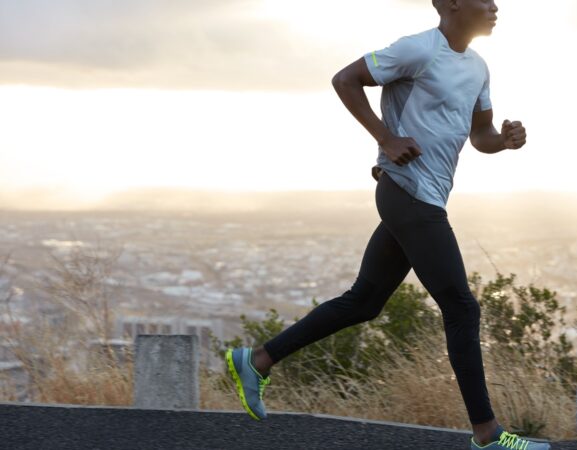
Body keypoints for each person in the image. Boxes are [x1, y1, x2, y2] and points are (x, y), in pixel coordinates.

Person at [225, 1, 548, 448]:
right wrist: (386, 138)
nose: (495, 6)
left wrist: (505, 142)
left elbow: (480, 136)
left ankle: (257, 359)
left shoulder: (479, 68)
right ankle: (487, 435)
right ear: (452, 3)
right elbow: (346, 79)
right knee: (461, 307)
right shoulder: (418, 50)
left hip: (424, 196)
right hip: (405, 190)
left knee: (364, 302)